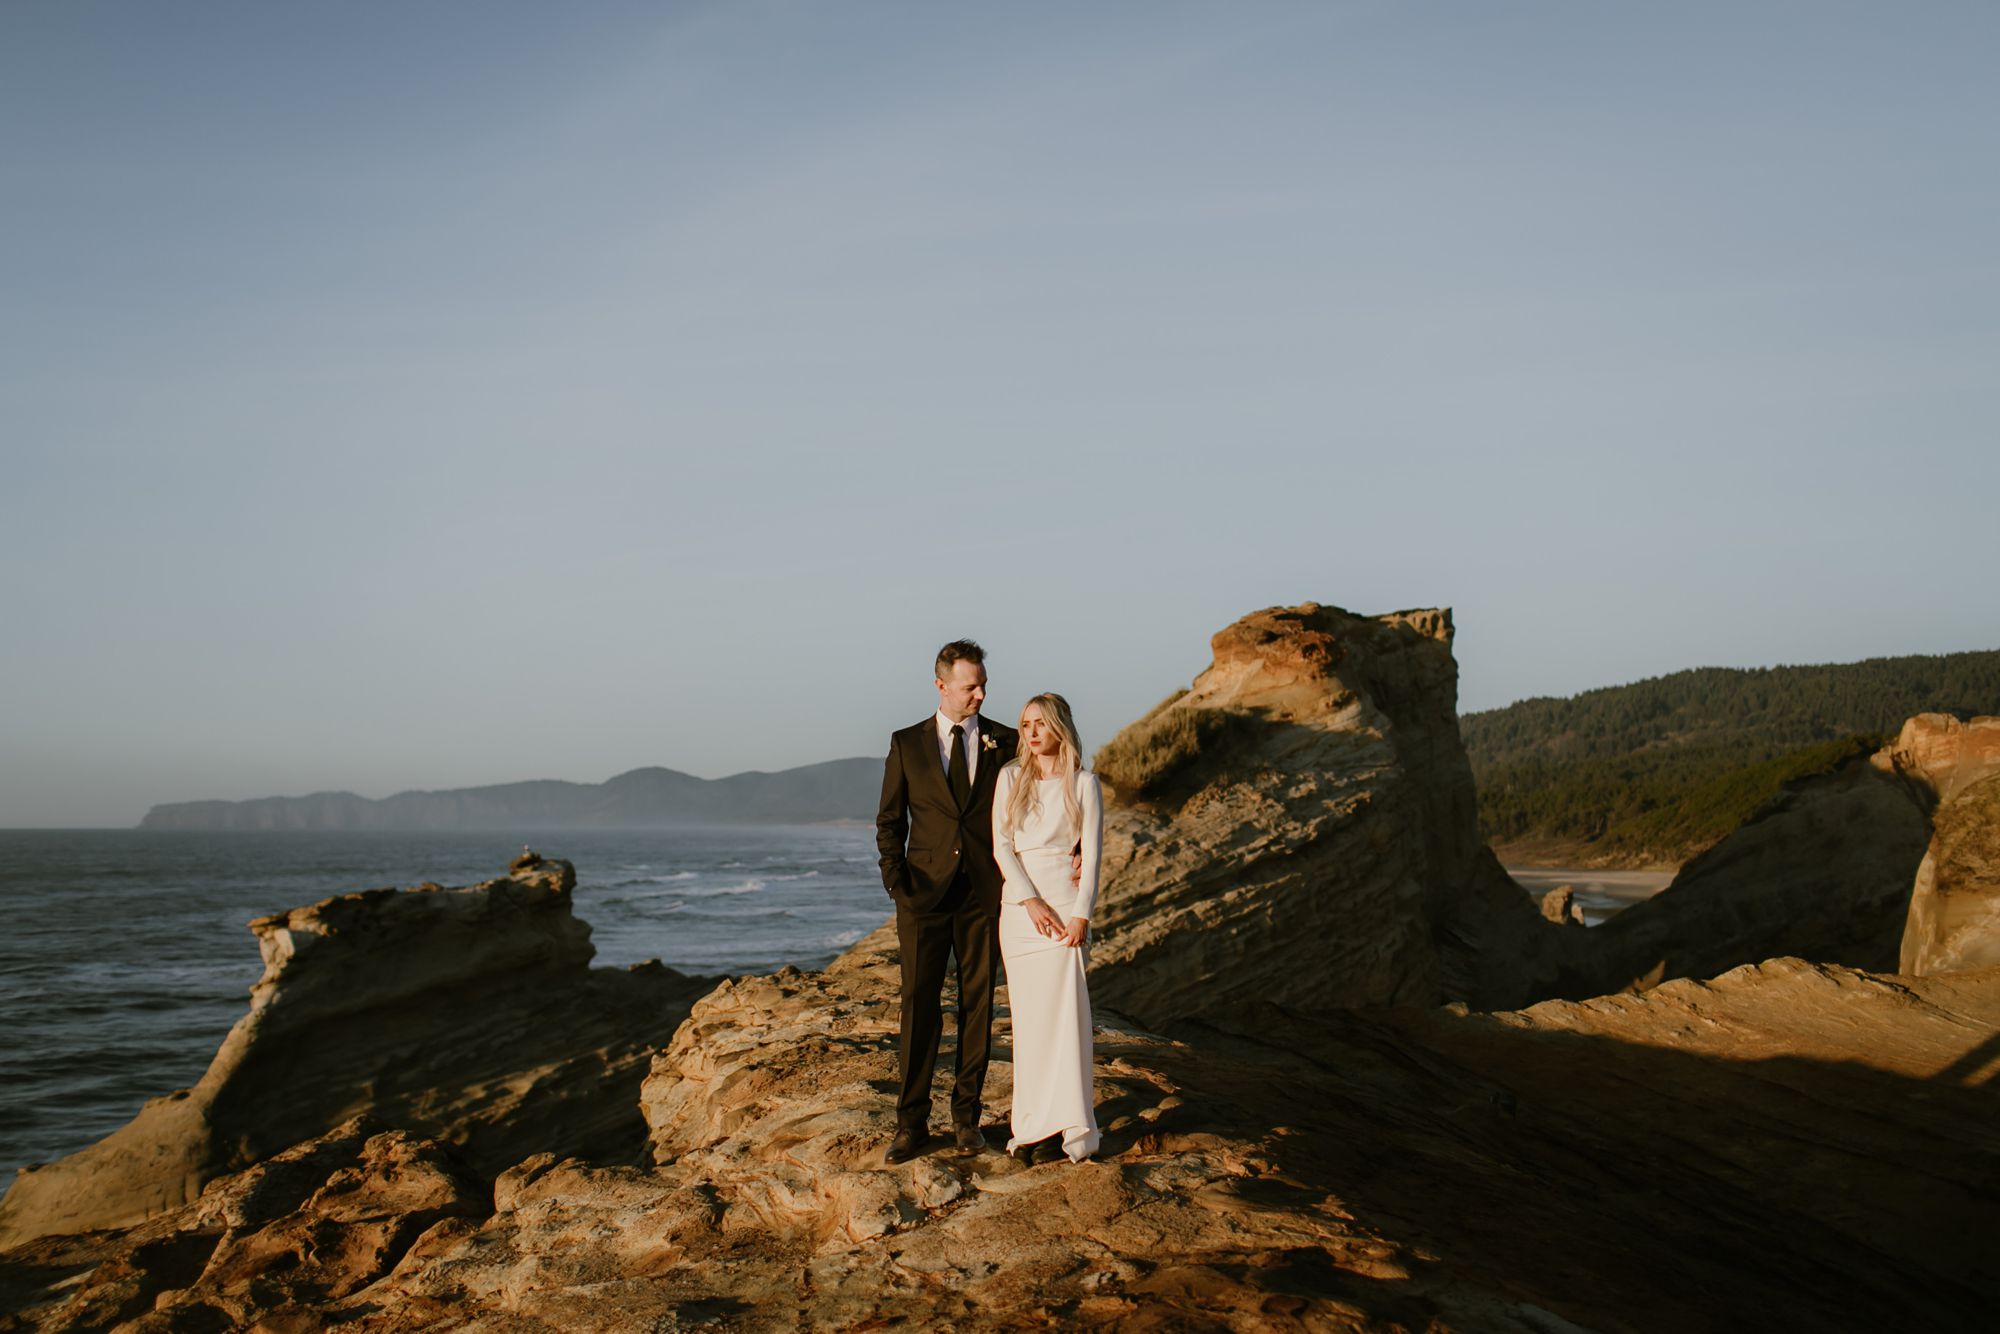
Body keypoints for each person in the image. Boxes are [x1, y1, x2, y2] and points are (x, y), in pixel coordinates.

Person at [875, 639, 1018, 1164]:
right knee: (919, 1005)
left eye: (982, 684)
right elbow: (890, 820)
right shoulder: (907, 743)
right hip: (923, 896)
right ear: (941, 685)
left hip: (984, 893)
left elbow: (1029, 807)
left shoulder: (1006, 741)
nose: (980, 693)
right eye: (969, 686)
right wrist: (897, 882)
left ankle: (966, 1120)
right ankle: (910, 1124)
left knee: (977, 1007)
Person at [991, 692, 1103, 1164]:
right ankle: (1031, 1128)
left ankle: (1072, 1130)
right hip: (1020, 913)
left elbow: (1093, 855)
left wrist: (1081, 914)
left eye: (1039, 723)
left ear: (1059, 727)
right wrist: (1029, 900)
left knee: (1068, 1023)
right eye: (1024, 725)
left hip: (1065, 910)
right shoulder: (1010, 778)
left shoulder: (1084, 784)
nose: (1031, 733)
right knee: (1030, 1025)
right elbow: (1000, 846)